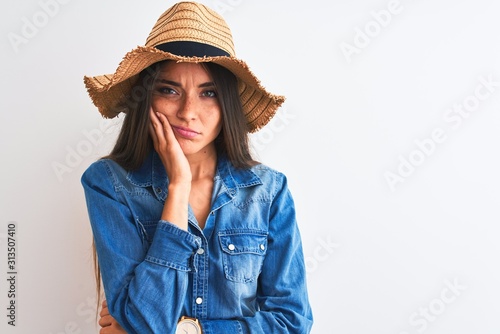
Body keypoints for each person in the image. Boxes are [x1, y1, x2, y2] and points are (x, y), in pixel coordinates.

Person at [81, 2, 313, 333]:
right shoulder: (109, 184)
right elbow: (144, 321)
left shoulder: (267, 191)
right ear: (146, 98)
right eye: (169, 90)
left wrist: (189, 329)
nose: (188, 112)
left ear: (227, 104)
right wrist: (178, 187)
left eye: (209, 93)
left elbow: (292, 322)